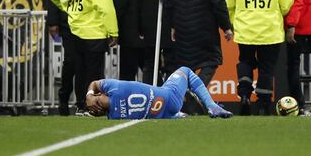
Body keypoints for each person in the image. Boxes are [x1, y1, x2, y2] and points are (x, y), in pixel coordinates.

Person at [49, 0, 119, 115]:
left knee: (79, 70)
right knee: (94, 74)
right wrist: (113, 31)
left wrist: (71, 10)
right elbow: (105, 6)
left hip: (75, 29)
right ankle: (92, 107)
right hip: (94, 31)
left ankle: (81, 105)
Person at [225, 0, 294, 115]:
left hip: (246, 29)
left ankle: (244, 95)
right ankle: (263, 103)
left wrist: (235, 20)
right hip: (271, 30)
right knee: (267, 67)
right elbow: (287, 3)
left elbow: (227, 2)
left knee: (245, 61)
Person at [86, 66, 233, 119]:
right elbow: (95, 83)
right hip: (170, 96)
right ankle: (212, 106)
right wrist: (89, 94)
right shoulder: (114, 88)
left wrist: (94, 104)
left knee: (153, 112)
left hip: (163, 112)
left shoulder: (115, 117)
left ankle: (177, 115)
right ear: (98, 95)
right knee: (185, 71)